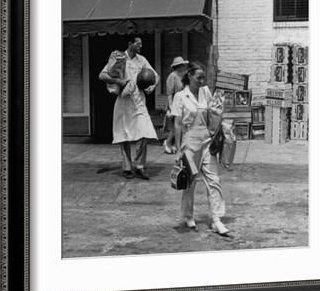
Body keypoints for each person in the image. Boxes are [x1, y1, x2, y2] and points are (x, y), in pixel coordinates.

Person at [171, 61, 231, 237]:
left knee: (214, 180)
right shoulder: (180, 97)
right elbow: (177, 123)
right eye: (199, 77)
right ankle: (188, 215)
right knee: (189, 181)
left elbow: (213, 113)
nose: (203, 80)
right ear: (189, 76)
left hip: (207, 141)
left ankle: (217, 219)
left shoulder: (205, 91)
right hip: (189, 142)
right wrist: (178, 147)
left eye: (204, 77)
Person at [99, 35, 159, 180]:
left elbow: (155, 76)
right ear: (130, 44)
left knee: (144, 133)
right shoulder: (119, 58)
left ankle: (139, 166)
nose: (140, 46)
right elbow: (102, 75)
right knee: (124, 136)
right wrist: (119, 81)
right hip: (124, 101)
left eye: (141, 44)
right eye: (138, 44)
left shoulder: (142, 60)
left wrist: (153, 86)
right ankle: (127, 167)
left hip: (139, 102)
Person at [163, 57, 188, 154]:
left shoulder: (182, 76)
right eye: (182, 65)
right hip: (174, 103)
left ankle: (173, 144)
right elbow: (169, 93)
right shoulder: (172, 76)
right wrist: (170, 107)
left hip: (181, 103)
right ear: (178, 66)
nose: (183, 67)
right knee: (175, 127)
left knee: (180, 125)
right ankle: (168, 142)